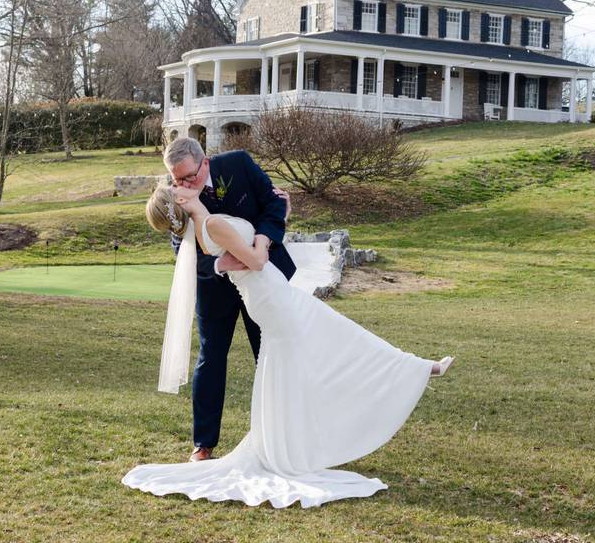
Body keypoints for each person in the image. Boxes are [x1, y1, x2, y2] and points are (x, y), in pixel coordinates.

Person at [124, 185, 454, 507]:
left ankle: (286, 443)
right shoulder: (211, 224)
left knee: (313, 350)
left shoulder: (202, 225)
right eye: (176, 186)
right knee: (339, 338)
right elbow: (254, 260)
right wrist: (262, 243)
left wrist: (280, 216)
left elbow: (239, 253)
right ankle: (418, 368)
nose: (183, 183)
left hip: (269, 297)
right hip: (272, 298)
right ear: (180, 199)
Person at [163, 137, 295, 463]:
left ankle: (282, 436)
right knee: (211, 357)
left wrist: (262, 244)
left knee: (270, 353)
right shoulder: (175, 195)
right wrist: (223, 264)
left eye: (189, 178)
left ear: (205, 162)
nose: (183, 185)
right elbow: (182, 248)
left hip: (261, 280)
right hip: (214, 287)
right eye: (176, 179)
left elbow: (273, 203)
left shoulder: (238, 164)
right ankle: (203, 443)